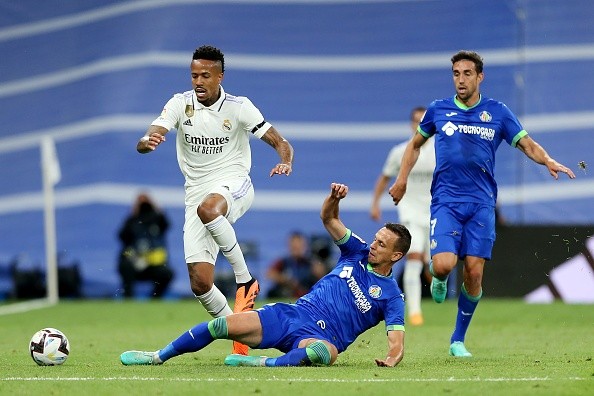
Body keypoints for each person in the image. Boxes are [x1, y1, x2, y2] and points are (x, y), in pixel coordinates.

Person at [388, 50, 576, 357]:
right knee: (445, 264)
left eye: (466, 74)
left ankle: (457, 340)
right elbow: (414, 145)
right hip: (447, 201)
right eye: (456, 74)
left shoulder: (497, 112)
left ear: (479, 77)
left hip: (482, 204)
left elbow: (526, 143)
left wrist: (548, 160)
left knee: (474, 274)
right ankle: (438, 277)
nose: (460, 80)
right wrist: (402, 179)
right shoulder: (438, 109)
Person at [120, 182, 411, 368]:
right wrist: (334, 199)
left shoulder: (392, 297)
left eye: (381, 244)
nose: (373, 245)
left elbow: (396, 343)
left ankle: (262, 363)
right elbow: (329, 218)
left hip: (322, 337)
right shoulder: (356, 251)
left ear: (396, 256)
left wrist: (390, 359)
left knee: (325, 353)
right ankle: (157, 356)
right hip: (292, 315)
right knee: (220, 326)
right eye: (376, 239)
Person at [136, 45, 294, 355]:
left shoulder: (239, 107)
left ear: (220, 76)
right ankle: (242, 335)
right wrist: (146, 141)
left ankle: (245, 280)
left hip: (234, 184)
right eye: (194, 75)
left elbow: (280, 141)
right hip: (195, 192)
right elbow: (151, 133)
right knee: (200, 282)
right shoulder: (180, 104)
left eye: (206, 75)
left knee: (208, 208)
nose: (199, 81)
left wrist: (285, 161)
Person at [370, 106, 433, 326]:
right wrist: (375, 203)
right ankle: (415, 312)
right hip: (411, 214)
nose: (419, 125)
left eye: (423, 121)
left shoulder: (441, 150)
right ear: (411, 124)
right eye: (416, 121)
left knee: (437, 266)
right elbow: (385, 177)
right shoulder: (401, 151)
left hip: (435, 214)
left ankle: (431, 267)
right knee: (413, 258)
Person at [117, 193, 174, 299]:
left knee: (167, 273)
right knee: (125, 265)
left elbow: (166, 223)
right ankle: (128, 299)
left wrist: (156, 207)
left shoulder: (157, 221)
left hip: (153, 265)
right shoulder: (131, 222)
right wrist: (134, 258)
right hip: (135, 263)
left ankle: (155, 299)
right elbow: (125, 247)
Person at [266, 231, 327, 299]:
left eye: (299, 246)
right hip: (288, 296)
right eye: (294, 246)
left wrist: (319, 272)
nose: (297, 249)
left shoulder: (312, 263)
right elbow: (270, 274)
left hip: (306, 297)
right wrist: (286, 280)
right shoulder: (284, 262)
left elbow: (323, 280)